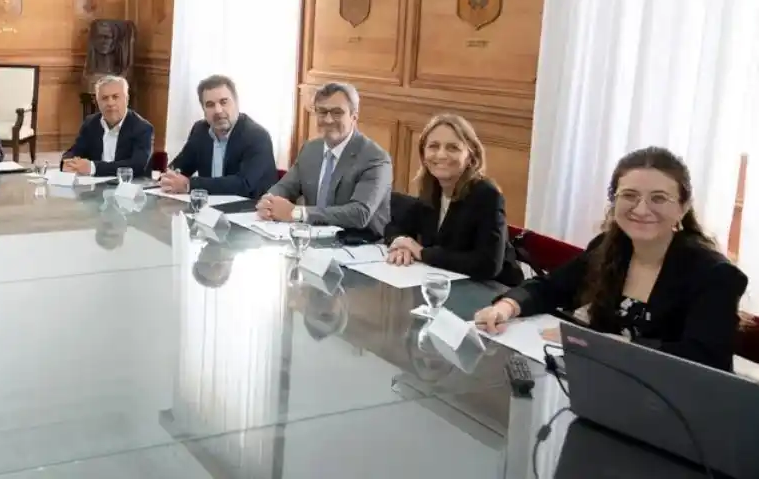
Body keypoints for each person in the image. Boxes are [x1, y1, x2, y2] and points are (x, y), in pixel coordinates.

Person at [474, 147, 748, 372]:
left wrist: (601, 345)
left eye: (659, 198)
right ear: (614, 201)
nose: (642, 209)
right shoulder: (609, 248)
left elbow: (704, 360)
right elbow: (550, 288)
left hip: (676, 408)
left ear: (683, 207)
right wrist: (506, 308)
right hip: (604, 388)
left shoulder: (716, 275)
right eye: (629, 195)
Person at [383, 114, 523, 284]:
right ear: (423, 155)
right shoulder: (432, 188)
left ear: (470, 156)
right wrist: (400, 243)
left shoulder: (487, 195)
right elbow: (395, 226)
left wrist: (421, 252)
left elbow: (488, 265)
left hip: (492, 291)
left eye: (453, 148)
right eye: (433, 146)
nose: (441, 155)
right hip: (449, 282)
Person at [256, 82, 392, 238]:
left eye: (337, 112)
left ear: (354, 117)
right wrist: (269, 202)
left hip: (358, 246)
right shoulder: (310, 149)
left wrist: (298, 213)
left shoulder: (375, 158)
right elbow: (285, 186)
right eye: (322, 112)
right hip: (312, 240)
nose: (328, 120)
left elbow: (359, 214)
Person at [160, 75, 278, 199]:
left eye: (224, 102)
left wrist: (189, 185)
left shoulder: (257, 136)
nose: (218, 110)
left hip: (250, 212)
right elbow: (181, 166)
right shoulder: (200, 130)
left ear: (236, 102)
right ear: (203, 109)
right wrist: (170, 177)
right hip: (209, 211)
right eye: (210, 105)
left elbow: (244, 184)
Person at [61, 75, 153, 178]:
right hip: (94, 187)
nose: (110, 103)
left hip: (128, 187)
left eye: (115, 97)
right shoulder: (91, 123)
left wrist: (93, 167)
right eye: (104, 98)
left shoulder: (142, 128)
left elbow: (137, 165)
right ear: (97, 102)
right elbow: (75, 150)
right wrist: (68, 162)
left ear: (126, 99)